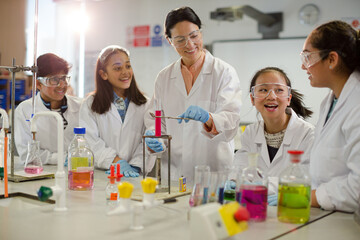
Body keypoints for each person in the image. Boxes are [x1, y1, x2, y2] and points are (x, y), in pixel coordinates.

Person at [144, 6, 242, 183]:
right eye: (180, 39)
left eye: (194, 36)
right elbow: (157, 121)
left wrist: (209, 118)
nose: (189, 44)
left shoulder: (224, 72)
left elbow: (231, 121)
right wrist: (155, 137)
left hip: (213, 174)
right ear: (169, 40)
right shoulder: (164, 77)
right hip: (174, 173)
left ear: (201, 33)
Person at [301, 20, 360, 212]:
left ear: (332, 60)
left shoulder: (356, 104)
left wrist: (311, 197)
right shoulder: (330, 101)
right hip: (330, 212)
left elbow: (357, 188)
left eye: (307, 57)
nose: (304, 67)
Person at [234, 67, 314, 205]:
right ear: (252, 99)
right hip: (255, 208)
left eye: (279, 90)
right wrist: (232, 182)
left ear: (288, 98)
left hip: (292, 208)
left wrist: (257, 185)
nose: (271, 96)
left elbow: (306, 180)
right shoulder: (250, 132)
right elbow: (238, 170)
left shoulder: (307, 134)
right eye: (263, 90)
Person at [79, 45, 150, 177]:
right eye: (117, 68)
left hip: (135, 174)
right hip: (104, 174)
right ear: (103, 74)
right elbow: (90, 142)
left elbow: (147, 142)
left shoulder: (146, 104)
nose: (125, 72)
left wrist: (134, 166)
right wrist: (116, 162)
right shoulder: (90, 104)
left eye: (128, 66)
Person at [15, 53, 82, 165]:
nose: (61, 85)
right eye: (54, 79)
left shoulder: (80, 106)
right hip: (42, 173)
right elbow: (27, 153)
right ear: (38, 84)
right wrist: (63, 159)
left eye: (64, 78)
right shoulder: (25, 110)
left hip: (78, 170)